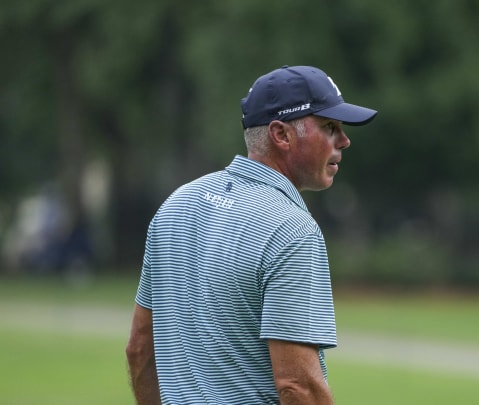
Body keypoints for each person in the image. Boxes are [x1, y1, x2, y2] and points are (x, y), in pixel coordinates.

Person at [125, 65, 377, 404]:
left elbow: (140, 349)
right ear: (281, 135)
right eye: (329, 127)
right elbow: (297, 386)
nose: (344, 140)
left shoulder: (178, 204)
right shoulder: (291, 228)